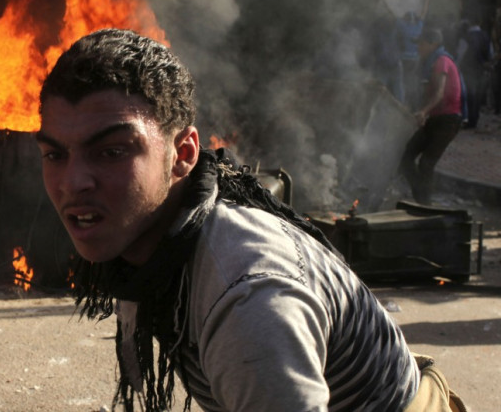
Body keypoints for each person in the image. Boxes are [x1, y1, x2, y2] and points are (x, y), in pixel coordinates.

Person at [36, 28, 465, 411]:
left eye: (112, 152)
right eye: (55, 154)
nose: (73, 182)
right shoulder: (161, 241)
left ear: (182, 155)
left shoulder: (250, 298)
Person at [399, 28, 463, 206]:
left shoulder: (441, 61)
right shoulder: (429, 62)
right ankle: (421, 200)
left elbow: (439, 93)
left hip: (448, 120)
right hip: (435, 119)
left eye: (422, 44)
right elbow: (426, 93)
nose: (418, 48)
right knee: (407, 157)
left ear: (433, 44)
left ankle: (424, 205)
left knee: (426, 164)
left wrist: (423, 111)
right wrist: (418, 110)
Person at [459, 14, 493, 128]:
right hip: (481, 69)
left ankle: (468, 120)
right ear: (480, 22)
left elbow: (461, 53)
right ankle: (475, 120)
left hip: (468, 69)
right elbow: (490, 53)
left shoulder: (466, 36)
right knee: (478, 95)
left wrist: (457, 66)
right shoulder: (485, 35)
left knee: (468, 95)